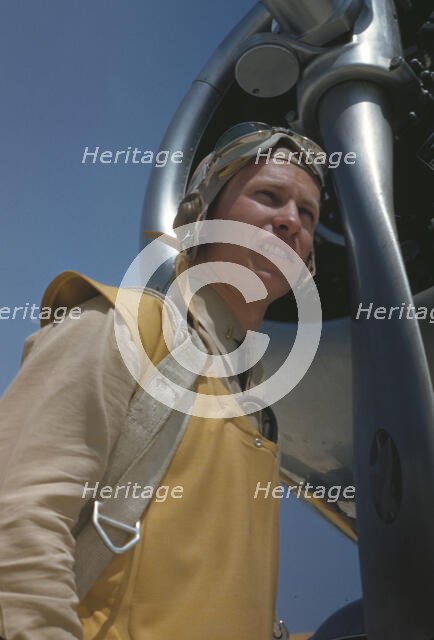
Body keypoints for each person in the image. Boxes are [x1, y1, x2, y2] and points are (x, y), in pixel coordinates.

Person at [0, 122, 325, 640]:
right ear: (203, 214)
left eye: (306, 214)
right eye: (269, 196)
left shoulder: (259, 415)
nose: (290, 221)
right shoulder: (122, 326)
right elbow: (18, 522)